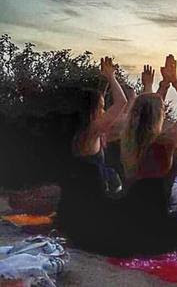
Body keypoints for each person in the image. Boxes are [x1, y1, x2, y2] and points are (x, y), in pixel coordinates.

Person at [114, 54, 177, 255]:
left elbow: (146, 109)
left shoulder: (127, 141)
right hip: (154, 228)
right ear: (159, 116)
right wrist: (175, 81)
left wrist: (162, 86)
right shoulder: (164, 144)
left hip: (127, 219)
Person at [56, 57, 129, 253]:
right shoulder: (93, 130)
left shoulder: (79, 129)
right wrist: (112, 77)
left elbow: (98, 101)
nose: (104, 111)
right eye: (102, 107)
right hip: (91, 196)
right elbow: (122, 102)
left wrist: (104, 80)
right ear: (92, 110)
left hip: (76, 192)